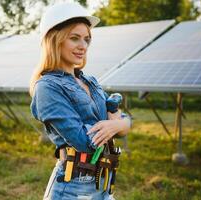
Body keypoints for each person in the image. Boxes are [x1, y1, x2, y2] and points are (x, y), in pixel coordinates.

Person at [29, 2, 131, 200]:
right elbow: (85, 141)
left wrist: (118, 123)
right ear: (54, 40)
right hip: (73, 185)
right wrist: (115, 125)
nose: (83, 46)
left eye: (87, 39)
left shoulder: (89, 81)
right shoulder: (47, 87)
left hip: (104, 182)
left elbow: (126, 122)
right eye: (74, 38)